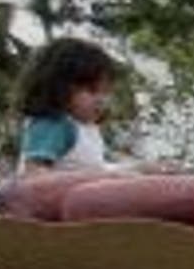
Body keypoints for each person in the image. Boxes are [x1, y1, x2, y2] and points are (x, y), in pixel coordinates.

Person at [15, 37, 128, 172]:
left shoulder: (86, 128)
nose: (101, 100)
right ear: (58, 88)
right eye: (92, 91)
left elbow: (96, 170)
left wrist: (137, 170)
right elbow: (34, 173)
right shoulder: (55, 124)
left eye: (106, 92)